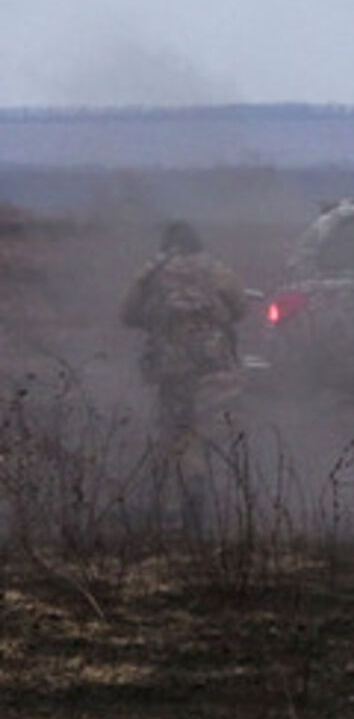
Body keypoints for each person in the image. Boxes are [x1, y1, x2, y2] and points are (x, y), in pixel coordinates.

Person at [119, 221, 247, 531]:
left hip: (171, 367)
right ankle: (198, 495)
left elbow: (127, 314)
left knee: (176, 433)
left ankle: (177, 502)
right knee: (206, 432)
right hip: (213, 363)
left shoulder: (152, 272)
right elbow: (239, 308)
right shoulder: (216, 269)